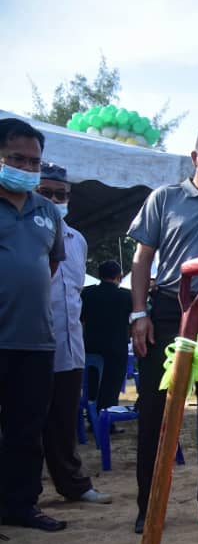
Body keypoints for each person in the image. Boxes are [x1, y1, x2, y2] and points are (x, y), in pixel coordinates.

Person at [128, 127, 198, 534]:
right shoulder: (165, 199)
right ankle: (149, 506)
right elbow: (142, 260)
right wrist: (138, 313)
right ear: (195, 158)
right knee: (158, 412)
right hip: (167, 312)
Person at [0, 118, 67, 531]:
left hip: (35, 340)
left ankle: (21, 506)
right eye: (16, 158)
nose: (26, 167)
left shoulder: (47, 211)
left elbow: (52, 264)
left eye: (34, 161)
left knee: (26, 430)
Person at [37, 162, 111, 506]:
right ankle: (24, 493)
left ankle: (74, 485)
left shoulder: (76, 241)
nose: (55, 200)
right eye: (46, 193)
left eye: (60, 194)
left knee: (64, 420)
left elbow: (73, 295)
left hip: (70, 345)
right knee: (24, 422)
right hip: (30, 342)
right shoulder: (19, 233)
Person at [81, 260, 132, 410]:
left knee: (91, 384)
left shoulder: (87, 293)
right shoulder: (125, 296)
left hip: (92, 346)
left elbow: (81, 318)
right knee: (112, 386)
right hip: (116, 348)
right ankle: (108, 417)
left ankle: (92, 416)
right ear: (119, 276)